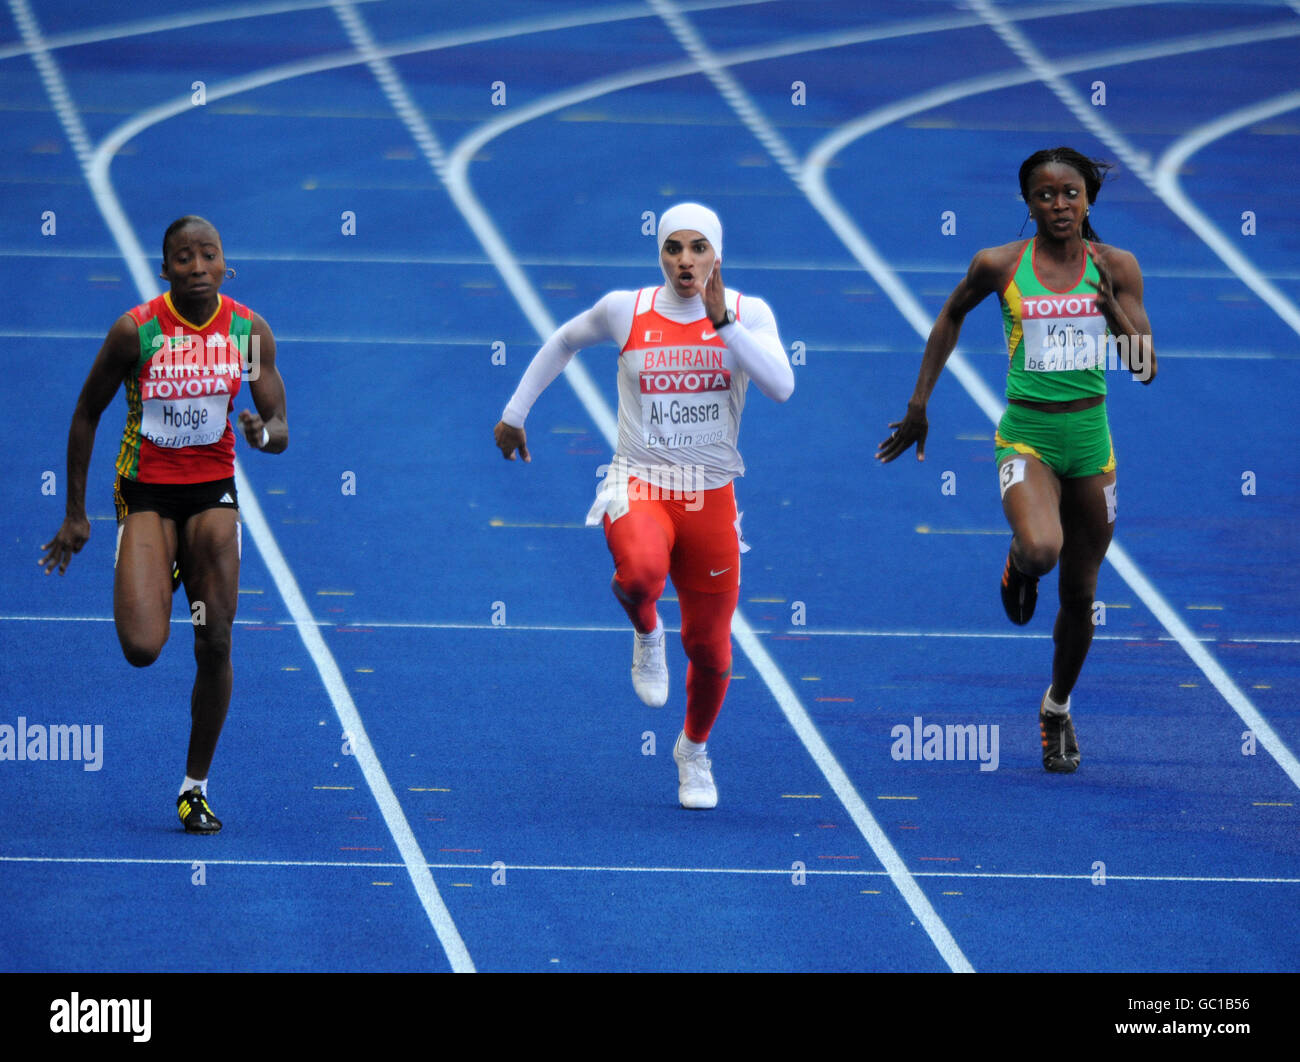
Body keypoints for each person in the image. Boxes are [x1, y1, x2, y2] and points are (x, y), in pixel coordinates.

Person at [494, 203, 794, 808]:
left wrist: (725, 324)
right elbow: (564, 340)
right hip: (642, 482)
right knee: (638, 575)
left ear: (717, 254)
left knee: (711, 650)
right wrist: (515, 413)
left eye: (698, 248)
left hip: (709, 495)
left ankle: (693, 752)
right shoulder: (626, 309)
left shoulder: (750, 314)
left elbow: (782, 387)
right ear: (659, 254)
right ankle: (647, 631)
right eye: (673, 248)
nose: (686, 260)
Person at [877, 148, 1156, 773]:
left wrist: (1110, 307)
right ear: (1028, 204)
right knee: (1041, 550)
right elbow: (951, 312)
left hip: (1091, 445)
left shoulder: (1116, 267)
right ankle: (1018, 563)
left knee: (1081, 597)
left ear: (1089, 200)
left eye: (1071, 194)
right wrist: (920, 403)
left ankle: (1056, 709)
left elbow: (1144, 371)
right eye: (1045, 196)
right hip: (1027, 438)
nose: (1059, 206)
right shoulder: (1000, 264)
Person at [40, 216, 288, 831]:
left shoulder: (248, 331)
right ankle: (155, 567)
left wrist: (263, 433)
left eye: (209, 256)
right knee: (144, 648)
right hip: (147, 493)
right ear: (166, 269)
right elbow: (85, 413)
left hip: (212, 495)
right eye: (184, 258)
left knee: (216, 639)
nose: (198, 268)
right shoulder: (136, 332)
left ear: (225, 263)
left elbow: (279, 425)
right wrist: (77, 512)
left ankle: (194, 787)